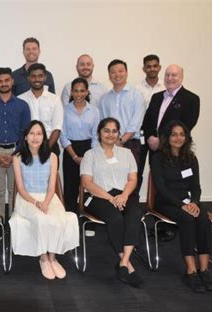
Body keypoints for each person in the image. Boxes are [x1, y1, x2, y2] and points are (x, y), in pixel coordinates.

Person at [150, 121, 212, 293]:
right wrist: (181, 206)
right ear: (167, 137)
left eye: (181, 134)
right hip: (167, 202)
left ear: (186, 137)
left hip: (188, 201)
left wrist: (194, 202)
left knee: (202, 218)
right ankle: (191, 271)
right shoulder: (158, 158)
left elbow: (196, 186)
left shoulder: (191, 158)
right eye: (174, 134)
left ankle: (204, 270)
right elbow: (161, 188)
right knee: (187, 219)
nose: (178, 138)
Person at [9, 120, 79, 280]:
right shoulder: (18, 157)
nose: (35, 137)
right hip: (27, 199)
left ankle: (53, 258)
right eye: (32, 133)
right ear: (25, 137)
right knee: (40, 219)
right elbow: (20, 188)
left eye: (39, 134)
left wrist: (46, 202)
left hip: (48, 197)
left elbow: (52, 185)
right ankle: (43, 258)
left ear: (44, 137)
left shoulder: (52, 156)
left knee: (57, 218)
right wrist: (36, 203)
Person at [80, 117, 145, 288]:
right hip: (99, 196)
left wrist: (123, 196)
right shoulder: (90, 154)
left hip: (125, 194)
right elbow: (88, 183)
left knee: (135, 214)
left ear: (119, 133)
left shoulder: (126, 153)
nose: (110, 134)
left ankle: (123, 262)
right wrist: (111, 199)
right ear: (99, 133)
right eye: (106, 130)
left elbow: (132, 179)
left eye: (114, 131)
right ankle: (129, 266)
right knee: (115, 218)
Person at [142, 64, 200, 242]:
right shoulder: (157, 96)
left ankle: (172, 225)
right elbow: (148, 120)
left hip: (175, 150)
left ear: (181, 77)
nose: (170, 78)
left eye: (174, 75)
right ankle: (160, 222)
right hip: (155, 149)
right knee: (159, 184)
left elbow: (186, 126)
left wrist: (164, 140)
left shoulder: (191, 99)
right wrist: (151, 138)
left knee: (175, 183)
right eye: (167, 75)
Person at [0, 67, 31, 239]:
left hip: (17, 152)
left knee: (16, 189)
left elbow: (26, 132)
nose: (3, 83)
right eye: (0, 81)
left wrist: (16, 153)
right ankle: (0, 222)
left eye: (6, 80)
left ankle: (16, 222)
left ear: (12, 81)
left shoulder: (22, 106)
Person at [98, 59, 145, 190]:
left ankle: (131, 207)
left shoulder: (136, 95)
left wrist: (121, 140)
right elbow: (102, 123)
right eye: (113, 72)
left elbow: (136, 122)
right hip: (109, 145)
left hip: (130, 143)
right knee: (112, 177)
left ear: (126, 72)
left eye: (120, 71)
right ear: (109, 75)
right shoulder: (104, 98)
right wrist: (110, 142)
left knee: (131, 178)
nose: (117, 74)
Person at [60, 77, 100, 214]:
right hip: (70, 150)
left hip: (89, 149)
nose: (79, 94)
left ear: (87, 92)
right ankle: (71, 219)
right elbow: (63, 135)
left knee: (90, 186)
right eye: (75, 91)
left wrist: (89, 156)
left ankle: (89, 217)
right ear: (71, 92)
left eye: (82, 91)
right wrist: (75, 156)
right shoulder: (64, 110)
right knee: (70, 187)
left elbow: (96, 135)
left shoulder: (94, 111)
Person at [19, 63, 63, 156]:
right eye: (33, 76)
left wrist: (46, 149)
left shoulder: (55, 99)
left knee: (52, 171)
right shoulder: (21, 99)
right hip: (27, 146)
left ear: (45, 78)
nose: (37, 79)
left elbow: (57, 128)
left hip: (49, 144)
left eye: (40, 76)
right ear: (28, 78)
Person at [135, 54, 164, 195]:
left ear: (159, 67)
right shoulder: (137, 89)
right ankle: (133, 202)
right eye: (148, 66)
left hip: (159, 136)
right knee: (136, 170)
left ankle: (157, 204)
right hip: (140, 134)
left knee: (158, 171)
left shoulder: (166, 88)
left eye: (154, 66)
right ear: (144, 68)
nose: (152, 69)